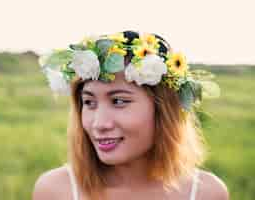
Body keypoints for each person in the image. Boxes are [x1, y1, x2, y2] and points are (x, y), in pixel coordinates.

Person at [32, 30, 229, 200]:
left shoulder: (206, 193)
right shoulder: (55, 191)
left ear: (163, 110)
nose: (99, 124)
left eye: (118, 101)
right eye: (89, 102)